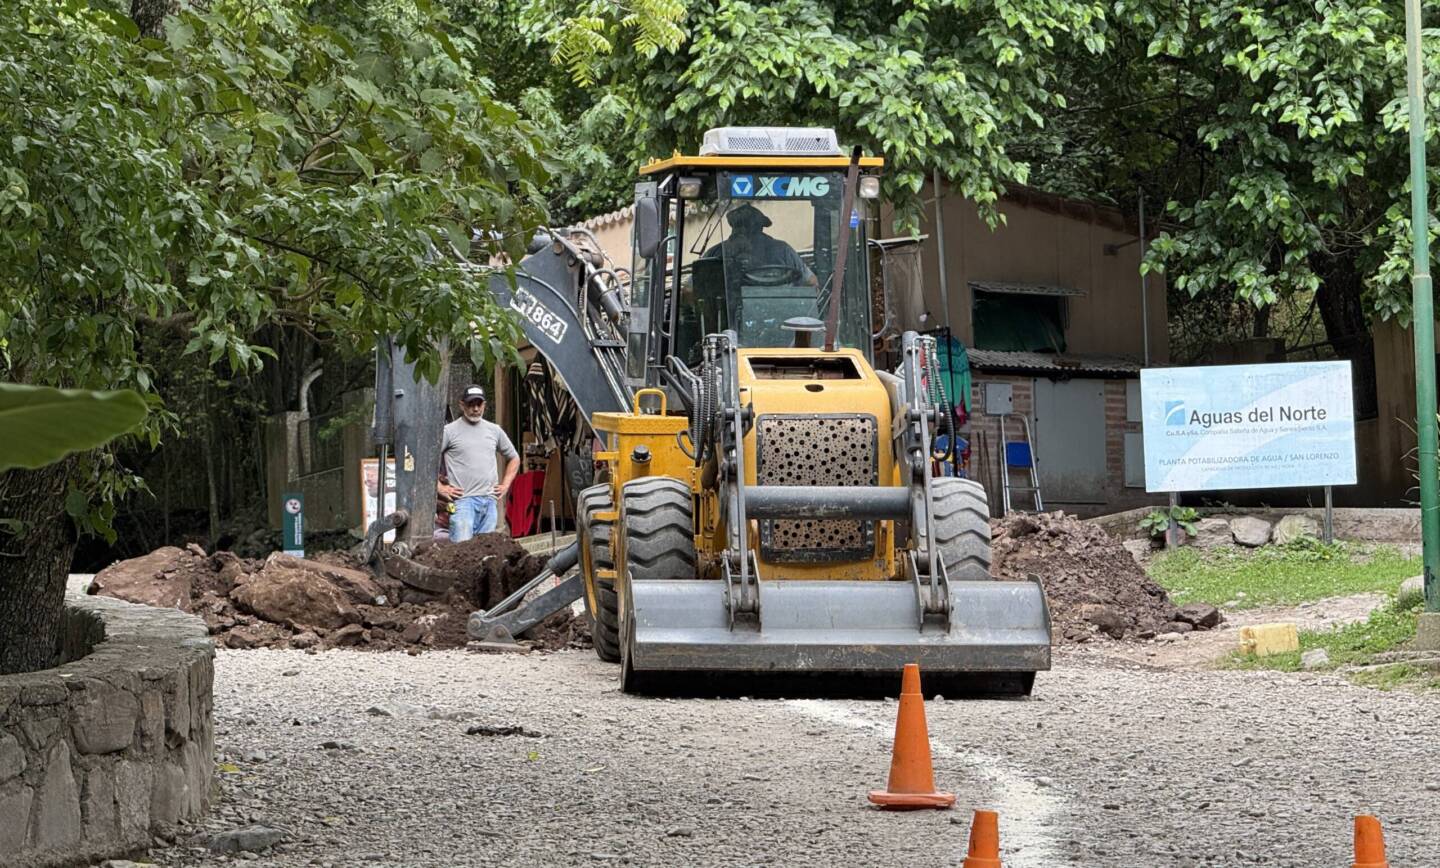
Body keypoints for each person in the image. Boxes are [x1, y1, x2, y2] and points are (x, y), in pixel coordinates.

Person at [439, 384, 519, 541]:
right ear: (462, 405)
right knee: (461, 554)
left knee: (485, 555)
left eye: (479, 404)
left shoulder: (494, 430)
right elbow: (428, 462)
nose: (475, 409)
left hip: (489, 502)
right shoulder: (449, 431)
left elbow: (514, 457)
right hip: (462, 503)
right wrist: (440, 488)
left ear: (484, 405)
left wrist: (505, 485)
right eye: (470, 404)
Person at [702, 203, 817, 287]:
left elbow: (812, 283)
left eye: (749, 226)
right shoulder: (716, 254)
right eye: (741, 225)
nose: (744, 231)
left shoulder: (782, 250)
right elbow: (812, 283)